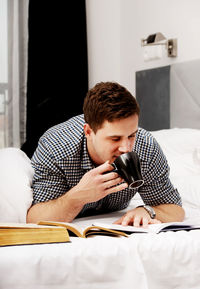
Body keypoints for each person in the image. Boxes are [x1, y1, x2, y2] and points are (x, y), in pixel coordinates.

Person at [27, 82, 185, 226]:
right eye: (115, 138)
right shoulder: (56, 147)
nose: (126, 148)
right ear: (89, 131)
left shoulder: (145, 147)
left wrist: (147, 211)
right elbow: (34, 218)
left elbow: (174, 209)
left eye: (131, 135)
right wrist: (78, 196)